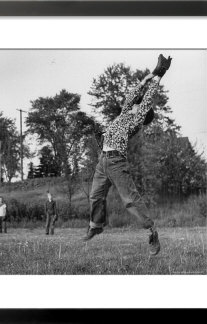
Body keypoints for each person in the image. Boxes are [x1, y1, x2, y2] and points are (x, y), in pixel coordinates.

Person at [83, 54, 173, 256]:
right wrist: (146, 77)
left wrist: (158, 78)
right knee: (95, 196)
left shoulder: (137, 119)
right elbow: (133, 94)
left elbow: (146, 98)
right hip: (102, 162)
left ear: (140, 111)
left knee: (130, 200)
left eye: (137, 104)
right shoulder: (124, 114)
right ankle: (96, 225)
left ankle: (152, 231)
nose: (134, 103)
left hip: (116, 162)